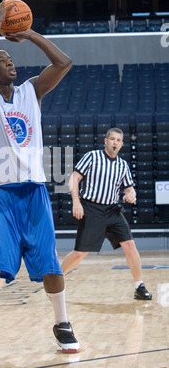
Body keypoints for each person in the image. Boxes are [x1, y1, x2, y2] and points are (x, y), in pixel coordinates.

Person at [0, 0, 80, 356]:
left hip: (34, 193)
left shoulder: (32, 90)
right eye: (4, 60)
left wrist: (27, 33)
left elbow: (64, 62)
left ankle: (62, 323)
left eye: (10, 58)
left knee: (50, 263)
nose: (9, 61)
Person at [61, 128, 152, 301]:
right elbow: (74, 178)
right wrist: (76, 202)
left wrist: (131, 194)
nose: (115, 143)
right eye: (112, 139)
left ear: (122, 144)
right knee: (80, 253)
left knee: (130, 246)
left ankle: (139, 286)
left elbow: (129, 188)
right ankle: (57, 279)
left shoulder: (123, 165)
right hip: (91, 209)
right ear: (105, 141)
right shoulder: (92, 157)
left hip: (112, 210)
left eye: (118, 140)